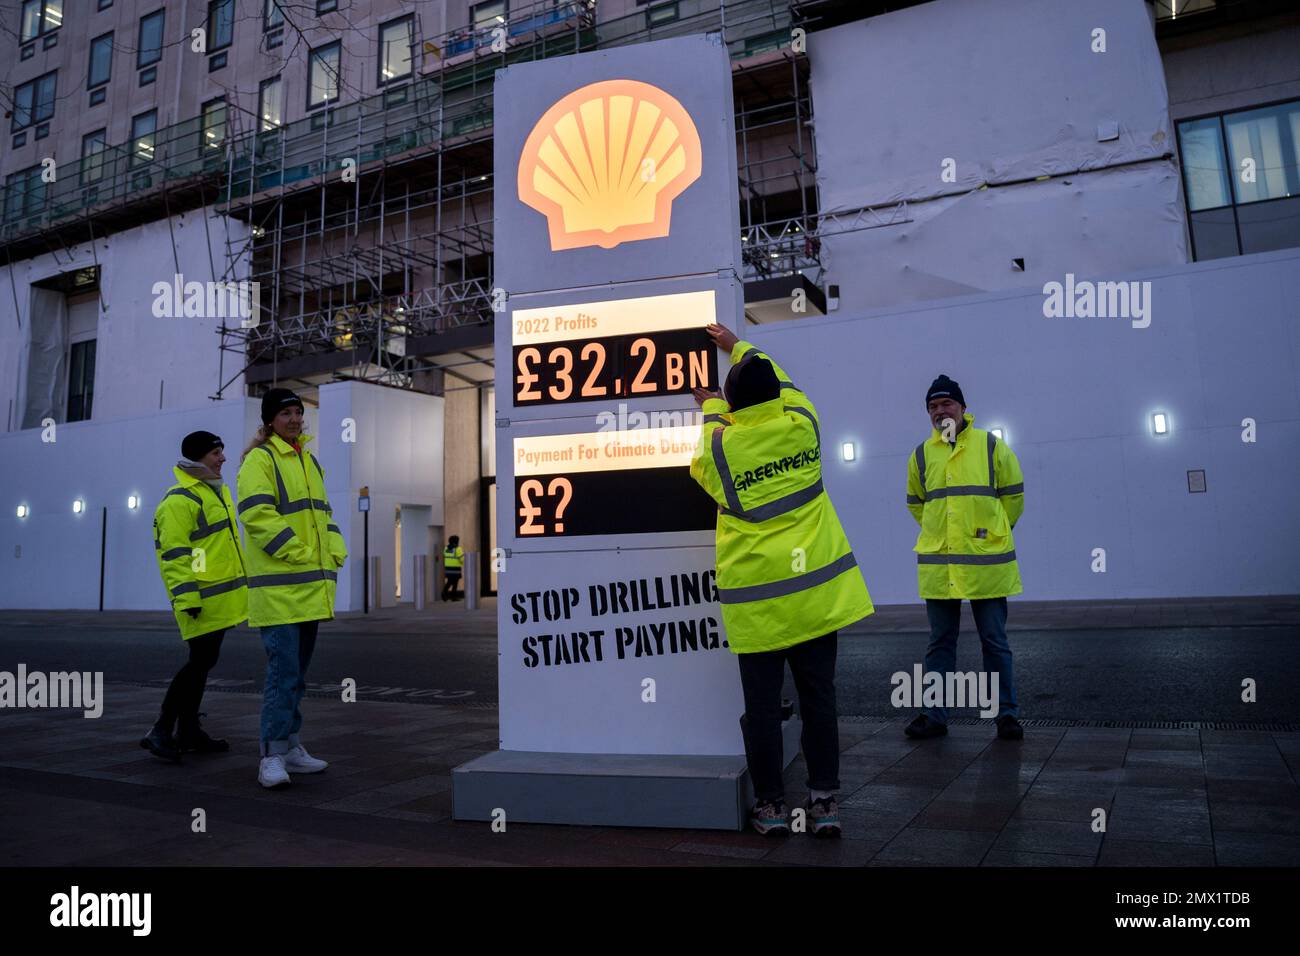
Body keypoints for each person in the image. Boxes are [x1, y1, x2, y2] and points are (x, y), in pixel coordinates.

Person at [690, 323, 873, 837]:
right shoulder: (804, 423)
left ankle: (770, 806)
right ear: (778, 398)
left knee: (763, 709)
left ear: (732, 409)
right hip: (817, 598)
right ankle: (824, 802)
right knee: (820, 700)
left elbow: (703, 458)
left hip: (758, 607)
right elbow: (786, 382)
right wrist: (737, 346)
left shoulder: (723, 446)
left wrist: (707, 406)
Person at [237, 388, 348, 788]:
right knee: (283, 676)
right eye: (286, 413)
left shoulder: (309, 461)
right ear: (269, 421)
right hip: (280, 592)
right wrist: (300, 552)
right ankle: (271, 755)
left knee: (297, 677)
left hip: (309, 590)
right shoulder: (260, 460)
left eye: (299, 412)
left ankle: (291, 746)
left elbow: (323, 515)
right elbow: (256, 515)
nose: (295, 419)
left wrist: (335, 549)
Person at [904, 374, 1025, 741]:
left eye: (946, 404)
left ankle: (1006, 715)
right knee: (940, 643)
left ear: (962, 408)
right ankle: (934, 715)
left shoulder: (990, 446)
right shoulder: (922, 455)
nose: (940, 411)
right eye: (933, 406)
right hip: (941, 565)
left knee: (994, 641)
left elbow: (1013, 497)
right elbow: (916, 505)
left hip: (985, 562)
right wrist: (942, 534)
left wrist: (992, 534)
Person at [141, 431, 249, 762]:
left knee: (203, 663)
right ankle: (161, 729)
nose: (222, 458)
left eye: (222, 451)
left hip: (216, 599)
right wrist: (187, 599)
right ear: (198, 458)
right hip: (199, 601)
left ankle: (187, 730)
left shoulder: (213, 493)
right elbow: (175, 557)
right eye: (216, 452)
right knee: (198, 663)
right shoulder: (179, 501)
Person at [442, 535, 465, 602]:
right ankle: (453, 597)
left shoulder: (446, 548)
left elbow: (444, 556)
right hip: (455, 568)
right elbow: (462, 559)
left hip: (448, 568)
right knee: (455, 583)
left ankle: (445, 593)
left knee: (449, 582)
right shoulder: (458, 549)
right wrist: (461, 563)